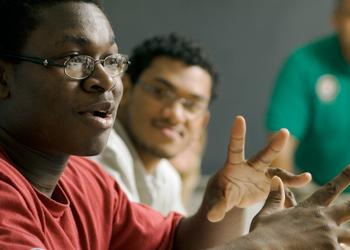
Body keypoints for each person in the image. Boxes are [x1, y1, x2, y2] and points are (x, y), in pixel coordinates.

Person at [0, 0, 350, 249]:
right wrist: (265, 244)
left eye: (111, 59)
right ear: (3, 77)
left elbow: (177, 242)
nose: (104, 79)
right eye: (74, 60)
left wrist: (223, 201)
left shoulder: (83, 179)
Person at [92, 33, 215, 215]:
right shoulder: (100, 150)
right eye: (160, 92)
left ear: (203, 122)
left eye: (191, 105)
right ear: (125, 89)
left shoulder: (166, 177)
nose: (175, 115)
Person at [266, 0, 350, 199]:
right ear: (335, 19)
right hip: (318, 197)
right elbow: (280, 150)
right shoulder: (304, 64)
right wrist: (291, 205)